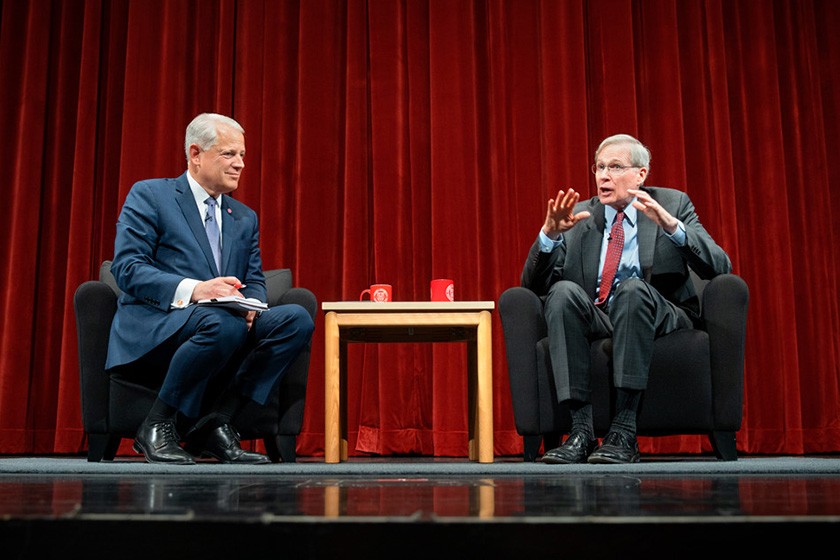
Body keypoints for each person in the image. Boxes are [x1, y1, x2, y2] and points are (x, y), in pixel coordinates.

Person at [105, 113, 315, 465]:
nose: (240, 164)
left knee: (295, 319)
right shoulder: (151, 195)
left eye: (243, 155)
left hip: (224, 324)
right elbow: (127, 268)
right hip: (160, 321)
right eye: (229, 154)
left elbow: (255, 279)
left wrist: (253, 306)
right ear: (196, 153)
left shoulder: (244, 217)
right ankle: (156, 425)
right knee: (221, 322)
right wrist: (197, 289)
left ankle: (217, 423)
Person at [521, 134, 731, 464]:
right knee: (561, 293)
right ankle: (580, 432)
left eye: (615, 167)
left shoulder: (672, 204)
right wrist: (548, 237)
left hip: (657, 310)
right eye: (599, 167)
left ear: (641, 174)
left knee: (631, 291)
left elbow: (719, 265)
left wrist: (672, 228)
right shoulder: (579, 216)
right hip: (601, 312)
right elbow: (532, 286)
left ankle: (624, 431)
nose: (603, 175)